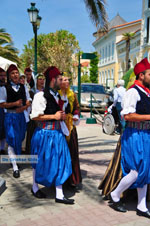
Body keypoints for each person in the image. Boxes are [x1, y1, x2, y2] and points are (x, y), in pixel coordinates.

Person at [108, 58, 150, 218]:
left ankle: (141, 206)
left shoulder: (147, 92)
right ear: (141, 75)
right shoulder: (132, 92)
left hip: (146, 134)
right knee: (136, 171)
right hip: (134, 134)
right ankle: (115, 194)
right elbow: (127, 115)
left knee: (146, 170)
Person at [30, 66, 74, 204]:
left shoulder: (58, 95)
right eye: (60, 79)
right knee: (39, 161)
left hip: (57, 133)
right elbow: (35, 117)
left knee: (61, 161)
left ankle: (59, 194)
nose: (62, 82)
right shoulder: (40, 96)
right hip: (44, 134)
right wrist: (54, 116)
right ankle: (35, 187)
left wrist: (61, 117)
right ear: (53, 79)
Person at [0, 64, 30, 178]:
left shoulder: (23, 87)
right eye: (12, 73)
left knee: (20, 139)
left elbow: (29, 99)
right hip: (10, 117)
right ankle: (15, 167)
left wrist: (27, 105)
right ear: (9, 75)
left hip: (21, 117)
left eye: (16, 72)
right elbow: (2, 104)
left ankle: (14, 159)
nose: (15, 75)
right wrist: (15, 104)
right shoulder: (4, 88)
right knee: (11, 140)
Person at [59, 75, 82, 188]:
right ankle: (61, 180)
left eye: (68, 79)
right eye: (64, 80)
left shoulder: (72, 94)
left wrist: (76, 115)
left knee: (71, 152)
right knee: (61, 153)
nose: (67, 81)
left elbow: (77, 107)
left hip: (70, 126)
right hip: (59, 125)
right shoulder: (56, 95)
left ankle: (71, 179)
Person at [25, 74, 45, 155]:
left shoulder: (46, 92)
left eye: (43, 79)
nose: (42, 81)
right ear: (36, 80)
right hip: (34, 118)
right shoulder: (32, 92)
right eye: (40, 79)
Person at [0, 68, 6, 154]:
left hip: (5, 109)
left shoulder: (6, 86)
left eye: (4, 75)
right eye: (1, 75)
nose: (2, 77)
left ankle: (2, 148)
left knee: (4, 129)